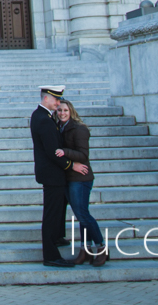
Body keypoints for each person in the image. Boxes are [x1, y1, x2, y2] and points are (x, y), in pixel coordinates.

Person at [56, 99, 108, 266]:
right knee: (80, 215)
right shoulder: (60, 128)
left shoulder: (79, 129)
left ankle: (101, 247)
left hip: (81, 179)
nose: (62, 113)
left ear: (71, 111)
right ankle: (85, 251)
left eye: (65, 110)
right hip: (69, 178)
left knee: (83, 215)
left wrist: (64, 152)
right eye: (59, 111)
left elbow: (83, 155)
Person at [30, 85, 75, 268]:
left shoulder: (42, 116)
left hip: (51, 173)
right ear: (46, 98)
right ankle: (50, 255)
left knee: (58, 207)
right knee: (51, 213)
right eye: (56, 99)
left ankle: (57, 237)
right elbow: (52, 151)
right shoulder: (44, 119)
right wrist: (70, 165)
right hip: (52, 173)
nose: (58, 103)